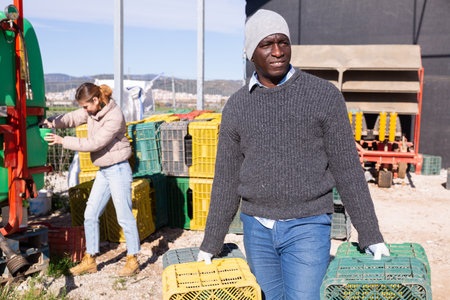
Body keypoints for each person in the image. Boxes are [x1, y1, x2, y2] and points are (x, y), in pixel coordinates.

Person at [197, 9, 390, 300]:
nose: (277, 51)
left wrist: (370, 233)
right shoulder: (237, 107)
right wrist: (211, 243)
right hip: (256, 227)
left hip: (309, 224)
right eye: (266, 44)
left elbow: (348, 169)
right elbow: (226, 179)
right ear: (250, 53)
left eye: (283, 42)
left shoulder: (323, 96)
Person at [43, 83, 140, 277]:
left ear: (96, 100)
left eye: (86, 106)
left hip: (119, 169)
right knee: (90, 214)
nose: (84, 110)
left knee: (124, 216)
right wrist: (52, 122)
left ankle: (133, 259)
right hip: (104, 170)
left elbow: (94, 144)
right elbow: (71, 118)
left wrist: (63, 141)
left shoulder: (114, 116)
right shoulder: (91, 111)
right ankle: (90, 259)